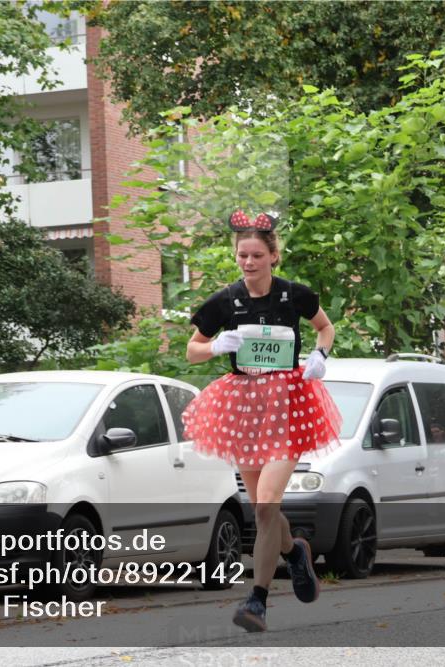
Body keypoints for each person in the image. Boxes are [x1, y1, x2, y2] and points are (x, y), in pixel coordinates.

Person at [181, 210, 343, 632]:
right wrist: (216, 346)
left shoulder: (294, 295)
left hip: (288, 404)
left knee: (268, 503)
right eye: (242, 255)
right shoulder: (225, 300)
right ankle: (294, 551)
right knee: (262, 509)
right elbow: (192, 350)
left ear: (273, 256)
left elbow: (325, 328)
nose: (249, 262)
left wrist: (320, 355)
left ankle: (258, 599)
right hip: (243, 409)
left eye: (256, 255)